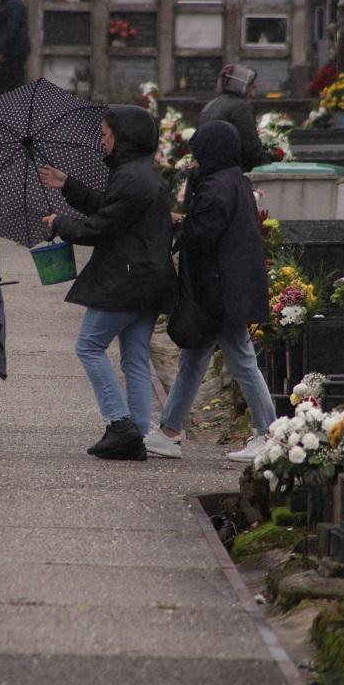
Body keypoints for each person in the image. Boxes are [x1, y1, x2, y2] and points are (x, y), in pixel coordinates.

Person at [38, 106, 176, 461]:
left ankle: (120, 424)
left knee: (88, 346)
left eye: (105, 134)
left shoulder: (131, 177)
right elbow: (110, 208)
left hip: (127, 279)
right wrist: (67, 184)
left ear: (123, 136)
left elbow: (99, 228)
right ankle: (139, 434)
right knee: (134, 357)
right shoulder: (141, 173)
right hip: (149, 279)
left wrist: (60, 223)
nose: (102, 140)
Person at [143, 120, 277, 463]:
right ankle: (169, 432)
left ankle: (269, 432)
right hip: (226, 287)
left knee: (242, 361)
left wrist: (179, 228)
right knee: (193, 358)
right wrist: (185, 222)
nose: (195, 154)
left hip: (221, 291)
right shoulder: (232, 180)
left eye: (200, 147)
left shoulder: (216, 186)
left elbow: (204, 237)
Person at [197, 63, 275, 172]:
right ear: (242, 86)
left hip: (209, 171)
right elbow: (250, 147)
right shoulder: (241, 107)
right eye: (252, 87)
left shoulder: (209, 105)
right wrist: (268, 167)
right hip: (232, 172)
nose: (253, 94)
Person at [0, 0, 31, 96]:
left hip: (14, 51)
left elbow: (11, 29)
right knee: (10, 83)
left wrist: (0, 49)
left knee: (0, 82)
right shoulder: (8, 3)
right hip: (13, 50)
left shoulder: (13, 4)